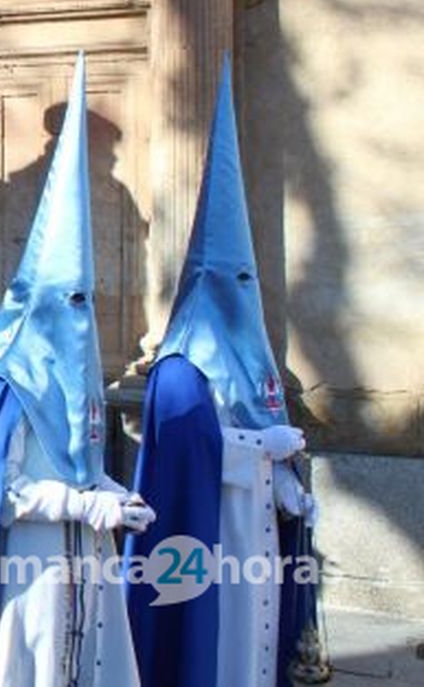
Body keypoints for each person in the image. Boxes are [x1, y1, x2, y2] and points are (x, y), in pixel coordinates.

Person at [0, 56, 154, 686]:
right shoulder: (5, 385)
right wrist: (82, 505)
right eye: (70, 302)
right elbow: (4, 494)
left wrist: (114, 498)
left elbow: (86, 464)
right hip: (34, 567)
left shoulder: (82, 378)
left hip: (90, 560)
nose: (81, 317)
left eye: (86, 302)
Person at [125, 55, 319, 687]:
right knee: (222, 643)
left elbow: (265, 423)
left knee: (256, 646)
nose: (243, 290)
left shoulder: (251, 351)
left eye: (248, 279)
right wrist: (261, 447)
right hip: (211, 541)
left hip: (257, 528)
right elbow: (186, 447)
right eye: (230, 279)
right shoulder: (180, 365)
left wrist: (287, 486)